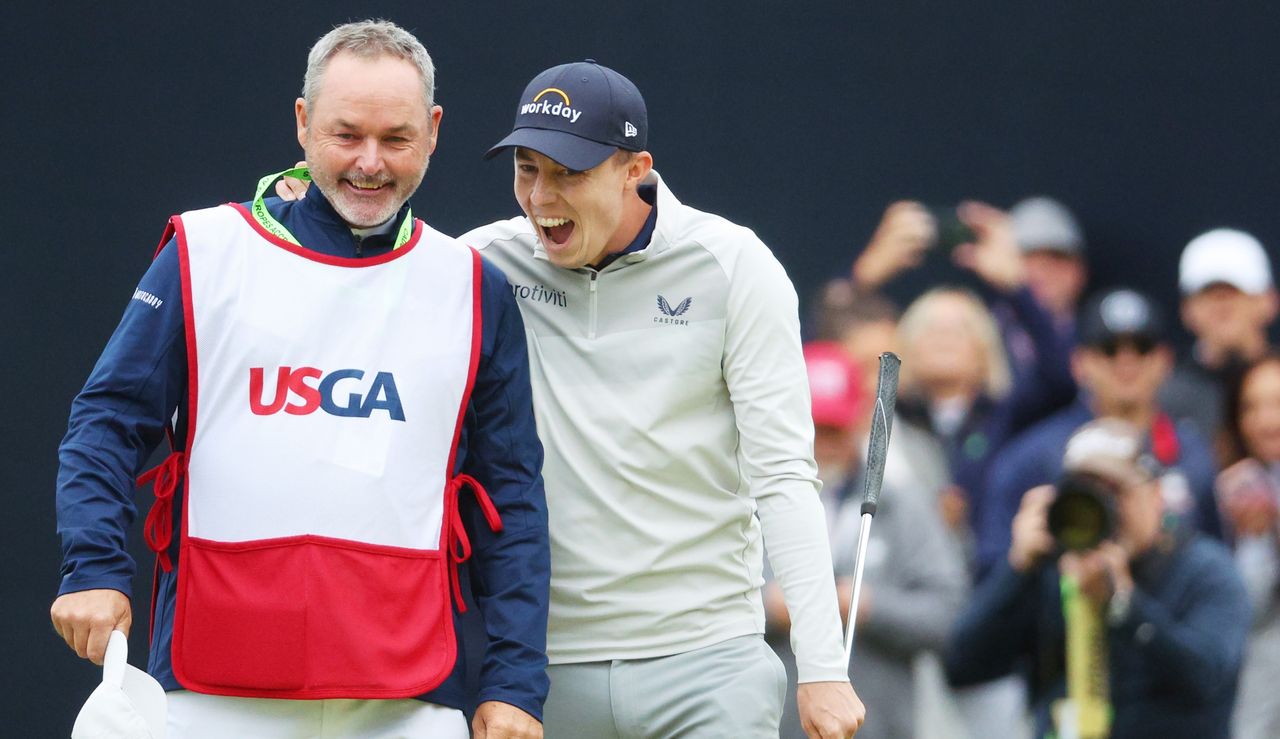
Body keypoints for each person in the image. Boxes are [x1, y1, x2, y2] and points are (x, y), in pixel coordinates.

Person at [278, 58, 865, 738]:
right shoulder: (483, 266)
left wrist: (823, 665)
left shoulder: (733, 265)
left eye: (569, 173)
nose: (541, 196)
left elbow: (783, 474)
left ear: (635, 168)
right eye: (527, 169)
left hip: (707, 662)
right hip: (540, 672)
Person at [50, 20, 549, 739]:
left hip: (408, 698)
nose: (371, 163)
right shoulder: (205, 250)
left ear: (434, 130)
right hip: (212, 687)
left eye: (397, 138)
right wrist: (93, 565)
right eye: (347, 134)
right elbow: (105, 419)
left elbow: (513, 501)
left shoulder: (475, 288)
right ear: (303, 122)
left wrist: (515, 683)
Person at [945, 418, 1250, 739]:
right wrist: (1018, 569)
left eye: (1116, 491)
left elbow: (1206, 679)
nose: (1104, 508)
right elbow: (961, 666)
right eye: (1086, 493)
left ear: (1156, 495)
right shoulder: (1052, 572)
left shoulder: (1205, 570)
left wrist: (1124, 607)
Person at [765, 343, 966, 739]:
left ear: (858, 420)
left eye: (833, 428)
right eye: (813, 425)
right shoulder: (749, 501)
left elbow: (946, 614)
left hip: (879, 727)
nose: (822, 442)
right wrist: (769, 608)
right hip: (767, 726)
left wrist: (865, 604)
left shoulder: (901, 504)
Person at [979, 288, 1223, 576]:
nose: (1126, 361)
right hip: (1055, 610)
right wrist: (1020, 563)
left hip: (1168, 609)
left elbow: (1216, 562)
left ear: (1165, 360)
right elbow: (989, 570)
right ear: (1079, 363)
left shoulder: (1192, 452)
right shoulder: (1033, 457)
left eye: (1142, 347)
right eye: (1108, 348)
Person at [1160, 228, 1278, 458]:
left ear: (1268, 301)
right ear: (1186, 309)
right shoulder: (1163, 396)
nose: (1222, 307)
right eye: (1209, 294)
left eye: (1235, 292)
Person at [1217, 353, 1280, 738]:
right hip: (1257, 708)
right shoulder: (1229, 490)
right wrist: (1253, 537)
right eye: (1251, 407)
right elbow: (1244, 612)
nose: (1265, 420)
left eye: (1276, 403)